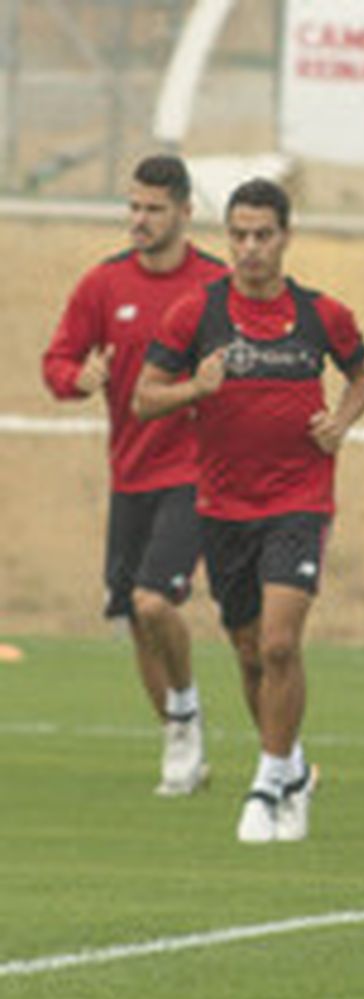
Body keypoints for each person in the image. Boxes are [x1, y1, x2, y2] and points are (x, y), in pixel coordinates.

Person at [133, 177, 364, 843]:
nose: (249, 248)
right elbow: (143, 398)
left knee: (278, 642)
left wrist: (343, 421)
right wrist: (194, 386)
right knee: (248, 654)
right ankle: (294, 770)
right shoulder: (196, 313)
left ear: (285, 237)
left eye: (262, 235)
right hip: (223, 506)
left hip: (299, 501)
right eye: (238, 234)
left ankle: (265, 784)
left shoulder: (322, 314)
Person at [41, 154, 228, 797]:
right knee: (132, 615)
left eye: (153, 209)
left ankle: (183, 719)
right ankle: (183, 732)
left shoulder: (215, 285)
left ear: (184, 212)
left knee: (155, 600)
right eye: (134, 207)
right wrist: (76, 379)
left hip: (196, 471)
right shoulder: (103, 286)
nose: (139, 220)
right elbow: (58, 360)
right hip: (130, 472)